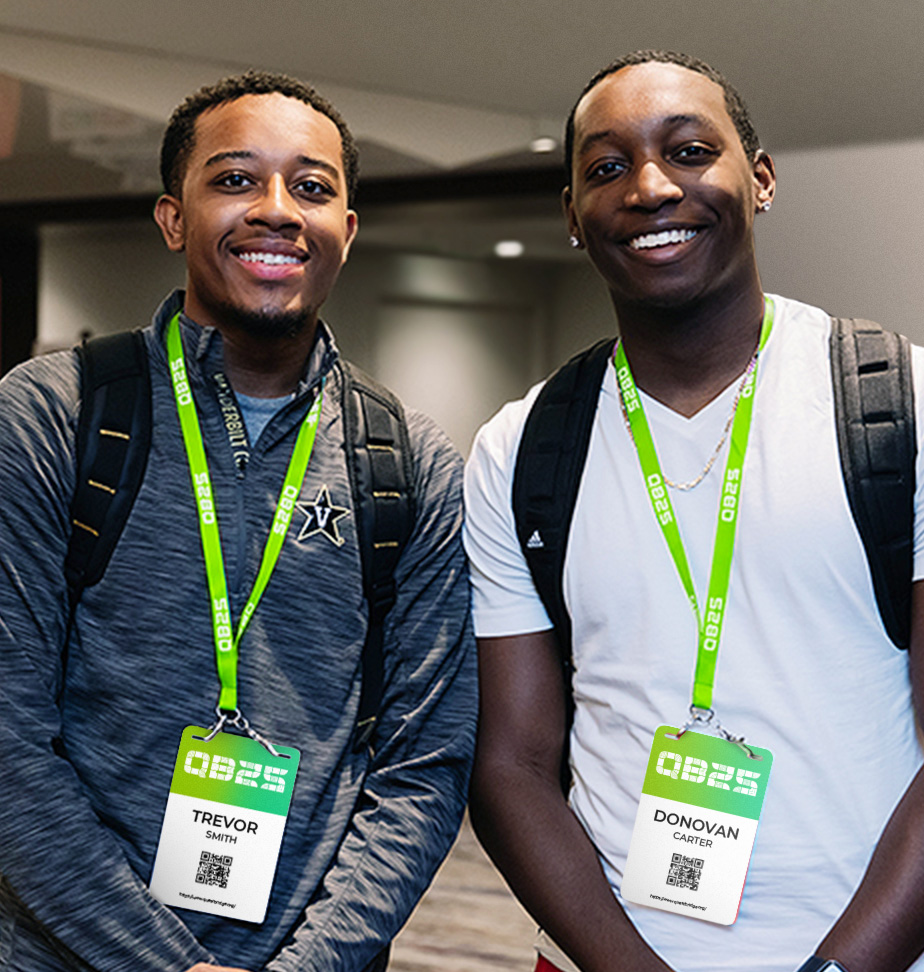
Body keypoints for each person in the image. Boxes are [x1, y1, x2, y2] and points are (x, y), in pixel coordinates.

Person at [0, 71, 476, 972]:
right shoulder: (58, 414)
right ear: (173, 218)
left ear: (347, 230)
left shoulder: (408, 460)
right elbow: (8, 737)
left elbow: (425, 762)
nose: (277, 210)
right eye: (234, 179)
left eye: (312, 187)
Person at [464, 50, 924, 972]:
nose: (649, 187)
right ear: (572, 214)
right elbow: (511, 764)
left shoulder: (900, 405)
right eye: (607, 166)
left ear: (761, 179)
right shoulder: (519, 450)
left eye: (689, 151)